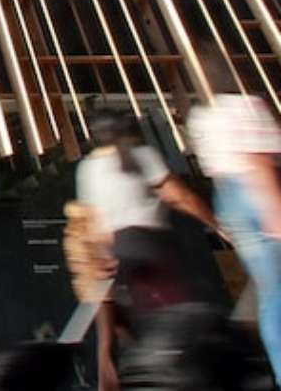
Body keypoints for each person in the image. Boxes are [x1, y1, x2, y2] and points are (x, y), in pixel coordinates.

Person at [75, 109, 222, 390]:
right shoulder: (142, 156)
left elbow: (93, 225)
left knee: (145, 329)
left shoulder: (87, 169)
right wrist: (217, 225)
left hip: (118, 253)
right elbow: (179, 197)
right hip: (152, 247)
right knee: (178, 323)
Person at [190, 94, 281, 383]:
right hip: (252, 191)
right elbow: (257, 161)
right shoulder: (244, 103)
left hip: (227, 197)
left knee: (271, 293)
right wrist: (274, 209)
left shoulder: (201, 114)